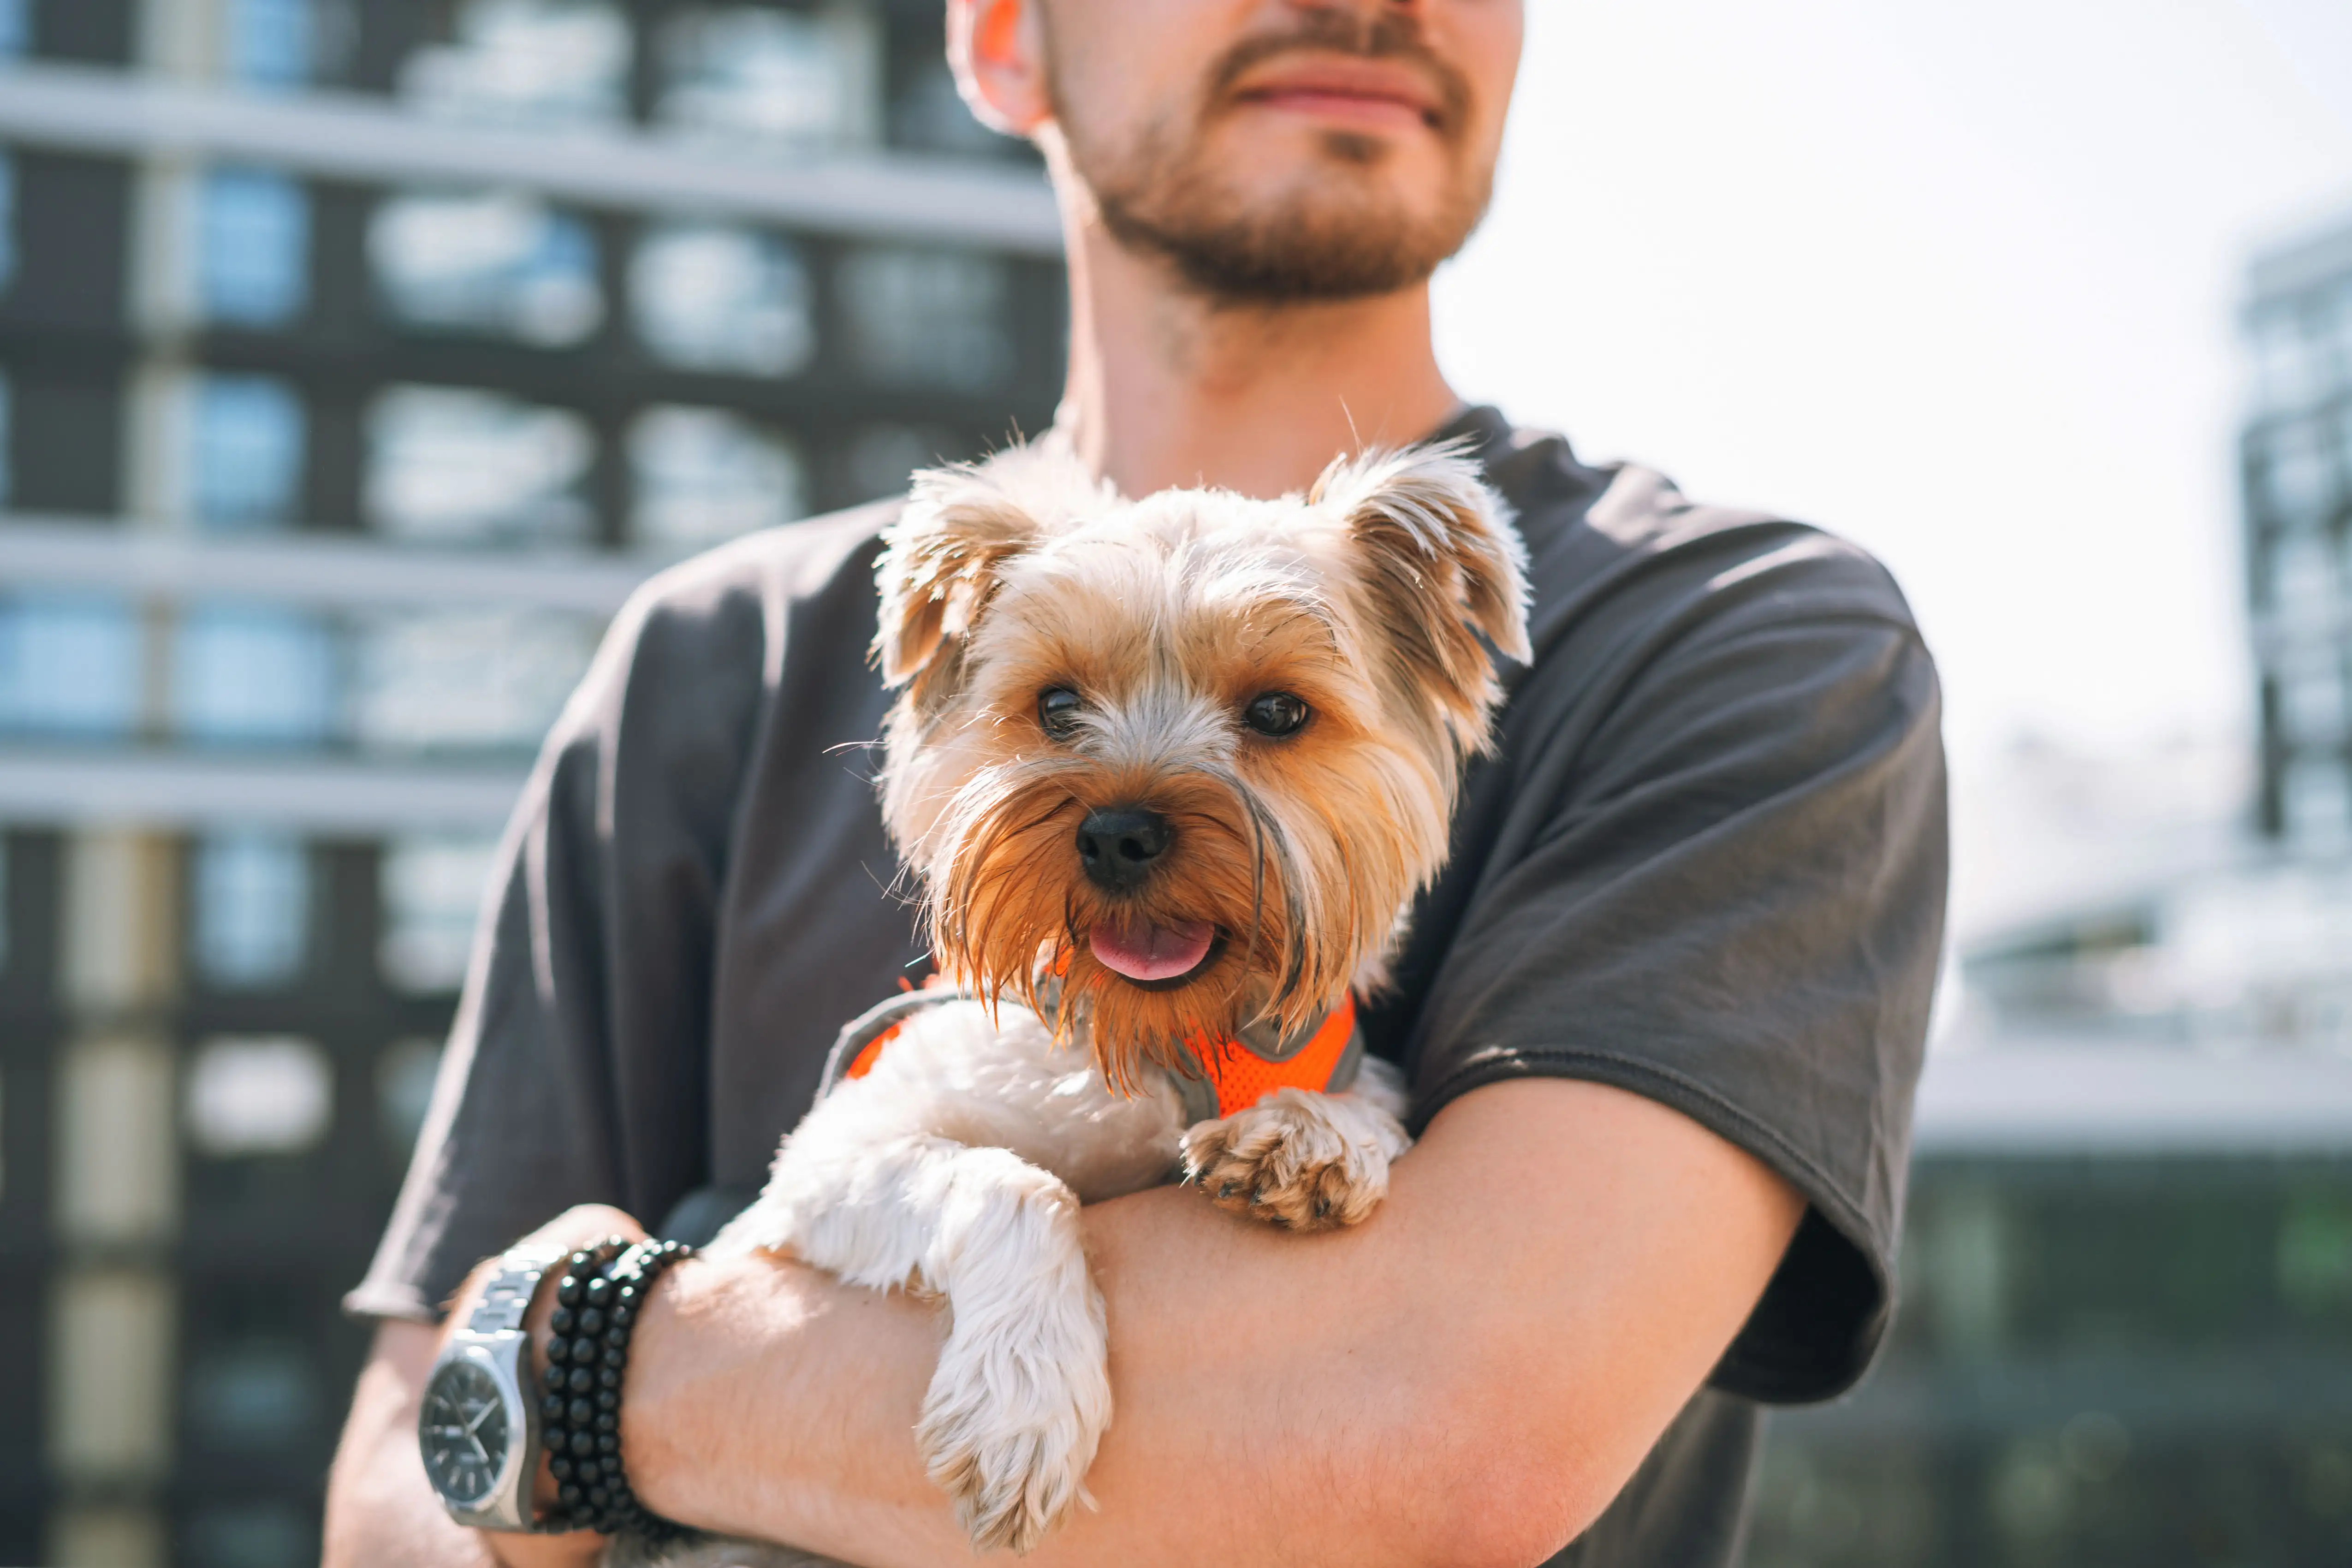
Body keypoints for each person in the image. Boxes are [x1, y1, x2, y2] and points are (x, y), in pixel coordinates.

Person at [323, 1, 1947, 1564]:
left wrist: (586, 1377)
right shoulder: (705, 665)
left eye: (1277, 716)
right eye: (1053, 712)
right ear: (999, 29)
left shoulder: (1742, 645)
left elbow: (1428, 1449)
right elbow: (400, 1496)